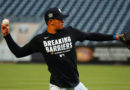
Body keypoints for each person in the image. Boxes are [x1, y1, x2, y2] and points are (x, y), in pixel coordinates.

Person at [1, 7, 120, 90]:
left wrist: (116, 37)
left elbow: (92, 36)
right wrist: (7, 35)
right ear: (51, 21)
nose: (63, 20)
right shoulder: (40, 40)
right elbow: (18, 53)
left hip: (76, 84)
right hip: (57, 86)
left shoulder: (71, 32)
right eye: (60, 19)